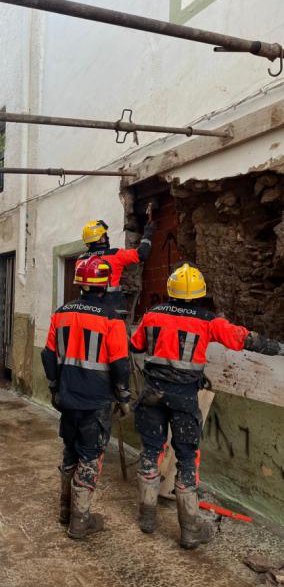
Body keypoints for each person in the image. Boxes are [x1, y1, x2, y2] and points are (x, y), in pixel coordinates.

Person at [130, 262, 284, 549]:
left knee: (151, 451)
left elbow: (136, 345)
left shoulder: (152, 315)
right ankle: (189, 530)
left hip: (152, 394)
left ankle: (147, 518)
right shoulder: (208, 321)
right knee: (187, 458)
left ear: (171, 291)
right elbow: (243, 339)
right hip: (184, 399)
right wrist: (278, 348)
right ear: (200, 293)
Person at [41, 255, 131, 540]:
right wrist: (123, 395)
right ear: (105, 284)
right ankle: (80, 520)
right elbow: (119, 363)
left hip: (67, 398)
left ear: (79, 283)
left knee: (70, 450)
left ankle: (65, 511)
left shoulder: (61, 313)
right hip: (95, 401)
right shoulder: (110, 318)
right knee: (91, 456)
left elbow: (48, 354)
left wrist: (55, 387)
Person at [79, 218, 155, 313]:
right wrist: (148, 234)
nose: (107, 238)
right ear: (101, 239)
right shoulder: (114, 254)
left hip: (86, 305)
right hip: (112, 304)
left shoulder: (80, 260)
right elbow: (142, 253)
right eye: (105, 236)